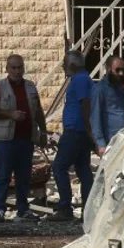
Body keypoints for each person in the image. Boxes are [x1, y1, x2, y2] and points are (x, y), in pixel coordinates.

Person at [0, 54, 46, 222]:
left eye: (20, 67)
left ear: (24, 68)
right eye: (13, 68)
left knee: (23, 176)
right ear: (7, 69)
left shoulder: (30, 87)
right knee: (4, 175)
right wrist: (9, 114)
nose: (17, 71)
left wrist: (43, 132)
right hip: (5, 139)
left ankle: (23, 209)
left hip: (26, 138)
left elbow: (38, 111)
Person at [49, 51, 95, 222]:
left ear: (73, 65)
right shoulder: (82, 79)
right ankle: (87, 210)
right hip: (79, 131)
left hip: (75, 131)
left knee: (59, 167)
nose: (63, 66)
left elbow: (85, 104)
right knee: (83, 169)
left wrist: (88, 128)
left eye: (65, 63)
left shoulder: (80, 80)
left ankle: (65, 207)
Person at [90, 55, 124, 151]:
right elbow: (95, 118)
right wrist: (100, 144)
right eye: (118, 70)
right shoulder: (99, 89)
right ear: (108, 69)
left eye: (123, 70)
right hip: (109, 141)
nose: (121, 73)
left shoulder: (121, 88)